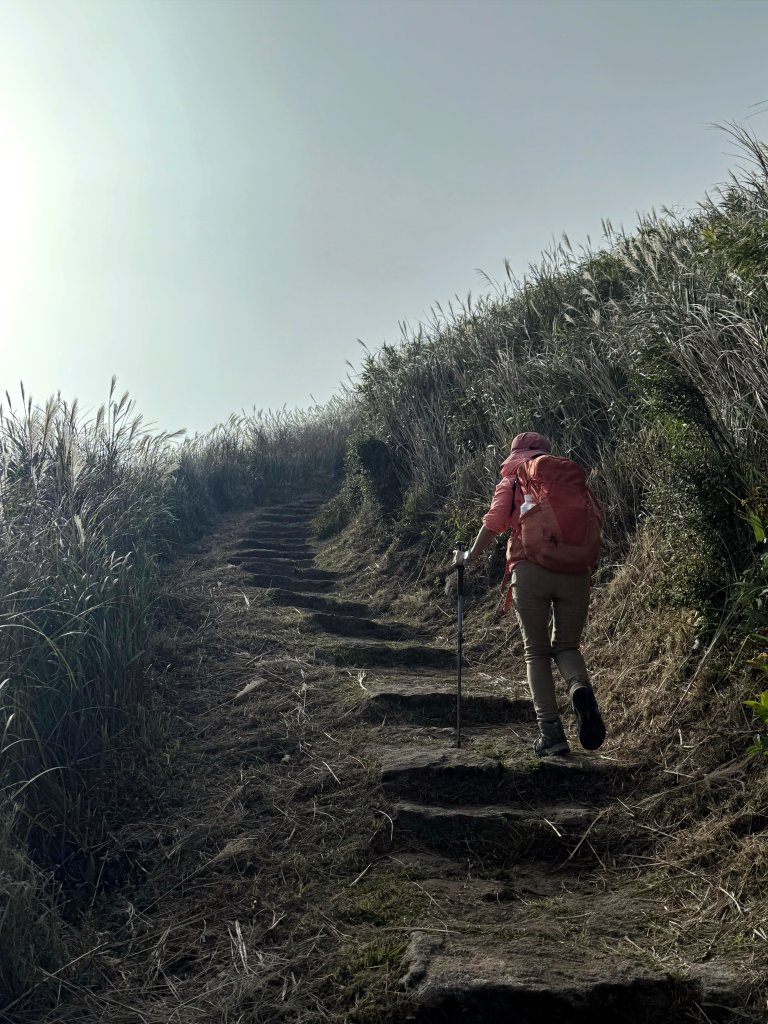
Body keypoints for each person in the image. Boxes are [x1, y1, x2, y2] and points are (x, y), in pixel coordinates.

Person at [452, 431, 606, 757]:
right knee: (567, 646)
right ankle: (579, 688)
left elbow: (495, 522)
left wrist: (468, 556)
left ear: (516, 454)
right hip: (576, 571)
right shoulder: (565, 478)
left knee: (536, 652)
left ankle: (552, 734)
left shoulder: (513, 480)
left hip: (531, 570)